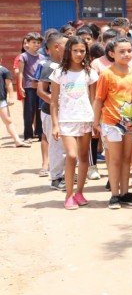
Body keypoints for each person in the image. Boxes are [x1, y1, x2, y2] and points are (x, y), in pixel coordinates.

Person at [92, 37, 132, 209]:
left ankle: (125, 193)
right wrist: (95, 122)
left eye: (129, 51)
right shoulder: (106, 74)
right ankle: (114, 195)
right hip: (111, 122)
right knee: (114, 159)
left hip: (131, 123)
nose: (126, 54)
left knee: (127, 158)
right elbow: (99, 100)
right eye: (122, 51)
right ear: (112, 54)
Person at [50, 36, 99, 210]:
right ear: (68, 51)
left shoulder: (90, 73)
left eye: (82, 51)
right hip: (66, 120)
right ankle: (68, 195)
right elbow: (54, 101)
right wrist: (55, 124)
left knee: (84, 157)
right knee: (72, 155)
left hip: (86, 119)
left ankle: (79, 192)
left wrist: (95, 121)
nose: (79, 54)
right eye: (75, 50)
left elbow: (94, 99)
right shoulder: (58, 73)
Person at [36, 33, 67, 187]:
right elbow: (41, 91)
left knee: (66, 145)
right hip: (50, 112)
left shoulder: (66, 65)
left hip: (67, 113)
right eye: (66, 45)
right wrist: (57, 103)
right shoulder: (49, 66)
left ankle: (65, 174)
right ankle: (56, 178)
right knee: (56, 145)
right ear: (56, 47)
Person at [19, 32, 43, 142]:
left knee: (39, 110)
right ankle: (28, 135)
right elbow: (20, 73)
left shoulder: (42, 57)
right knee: (29, 111)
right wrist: (20, 86)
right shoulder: (23, 56)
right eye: (34, 42)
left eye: (38, 43)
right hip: (29, 87)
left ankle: (39, 132)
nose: (36, 45)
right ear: (27, 43)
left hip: (40, 87)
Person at [0, 57, 28, 147]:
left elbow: (9, 84)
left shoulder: (4, 71)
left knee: (8, 120)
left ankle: (17, 140)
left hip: (1, 100)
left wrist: (11, 97)